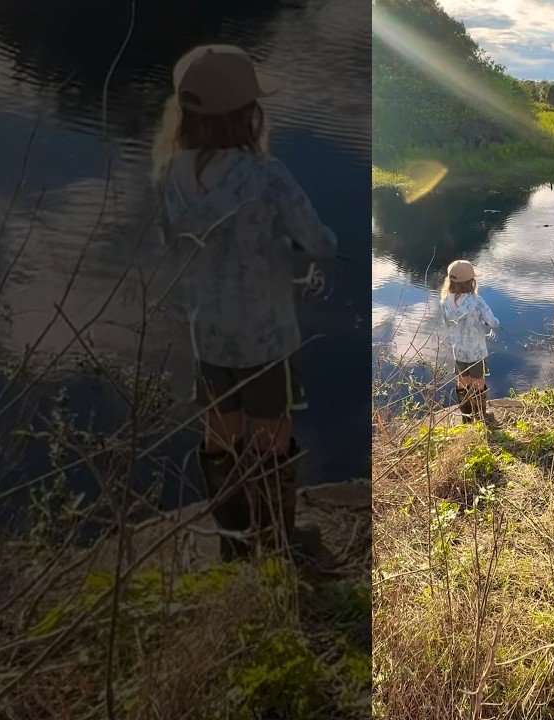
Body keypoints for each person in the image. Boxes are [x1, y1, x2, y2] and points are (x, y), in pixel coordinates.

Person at [151, 44, 338, 561]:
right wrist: (312, 245)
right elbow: (319, 241)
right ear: (247, 114)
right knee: (270, 438)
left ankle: (235, 544)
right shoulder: (267, 175)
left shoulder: (171, 176)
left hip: (207, 331)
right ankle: (277, 541)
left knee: (220, 434)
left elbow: (172, 243)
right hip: (266, 336)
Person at [441, 259, 499, 425]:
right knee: (478, 382)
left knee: (462, 381)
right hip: (477, 352)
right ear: (471, 282)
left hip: (458, 350)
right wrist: (488, 324)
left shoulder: (446, 301)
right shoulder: (477, 301)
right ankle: (480, 417)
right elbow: (493, 322)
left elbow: (447, 324)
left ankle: (466, 418)